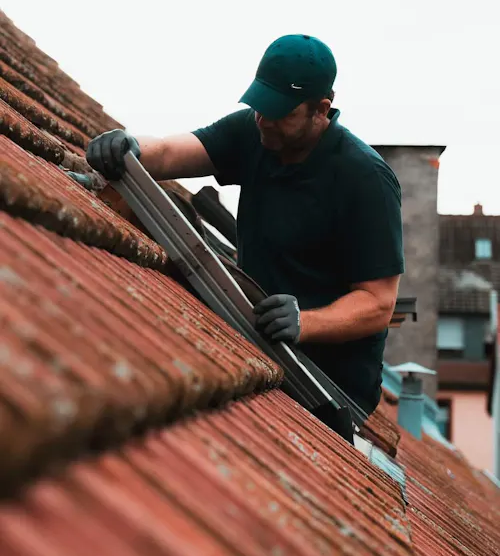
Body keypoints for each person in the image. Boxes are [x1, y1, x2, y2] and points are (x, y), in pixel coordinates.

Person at [87, 34, 404, 419]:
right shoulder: (254, 134)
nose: (264, 120)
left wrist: (306, 322)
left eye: (281, 112)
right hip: (254, 341)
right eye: (259, 106)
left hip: (329, 390)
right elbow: (171, 152)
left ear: (321, 109)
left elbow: (377, 303)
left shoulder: (365, 179)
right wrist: (130, 146)